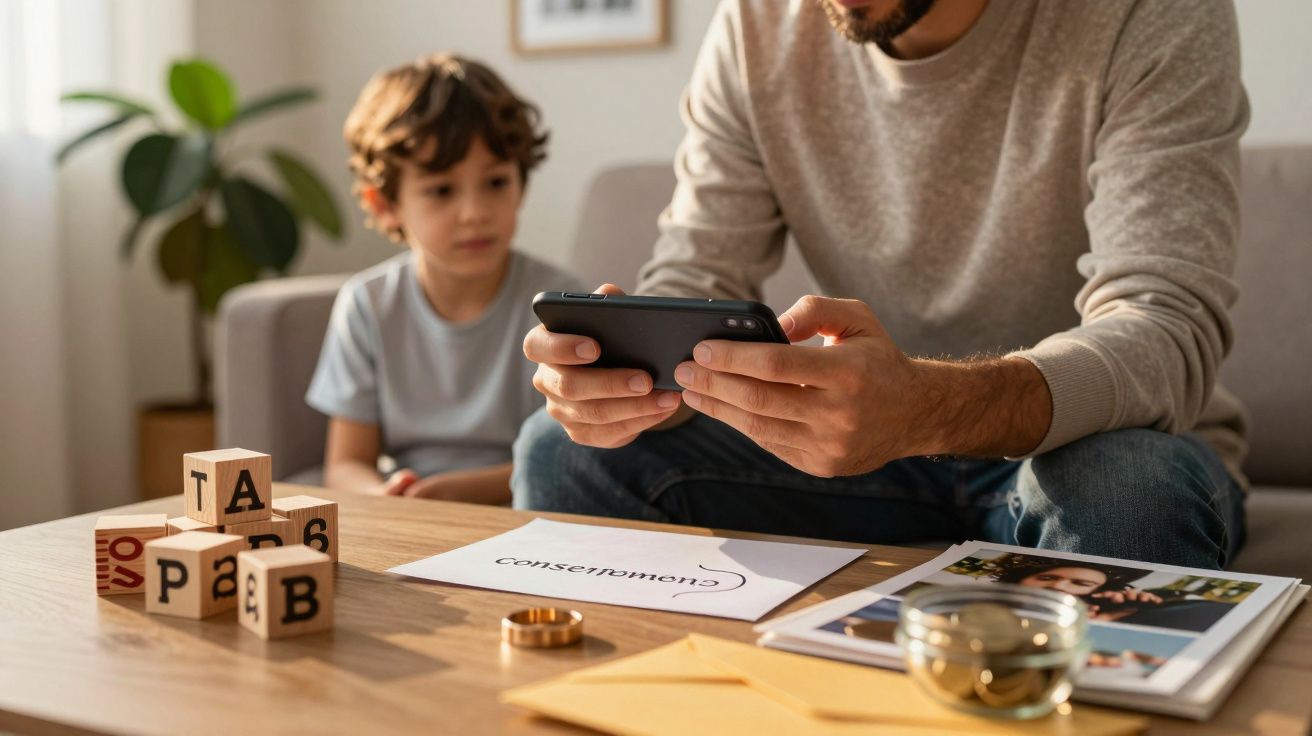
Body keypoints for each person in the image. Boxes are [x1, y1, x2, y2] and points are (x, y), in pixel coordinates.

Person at [514, 0, 1249, 569]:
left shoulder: (1147, 14)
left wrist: (927, 408)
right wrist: (633, 383)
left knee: (1127, 495)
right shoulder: (757, 25)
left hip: (1079, 450)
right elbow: (694, 272)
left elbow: (1163, 322)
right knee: (561, 450)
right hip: (860, 459)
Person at [307, 53, 583, 503]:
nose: (475, 214)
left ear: (521, 182)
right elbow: (345, 464)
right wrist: (387, 497)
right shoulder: (366, 305)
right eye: (441, 190)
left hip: (524, 512)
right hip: (409, 514)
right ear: (384, 204)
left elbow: (569, 457)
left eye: (496, 182)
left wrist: (456, 493)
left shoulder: (559, 307)